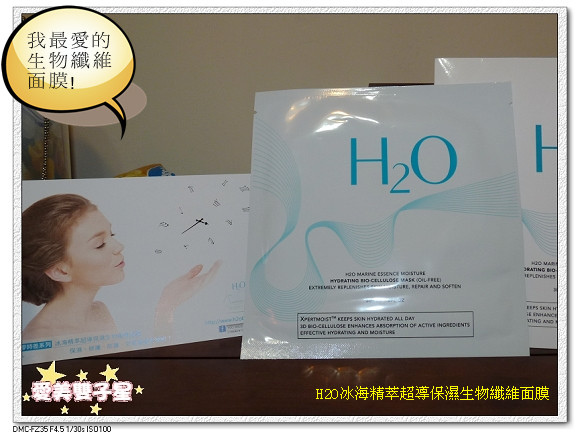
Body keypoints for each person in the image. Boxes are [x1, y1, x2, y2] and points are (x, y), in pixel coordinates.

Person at [21, 193, 220, 342]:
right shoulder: (38, 341)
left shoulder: (99, 312)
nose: (119, 246)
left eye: (112, 235)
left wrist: (167, 305)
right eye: (100, 244)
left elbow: (142, 374)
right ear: (60, 270)